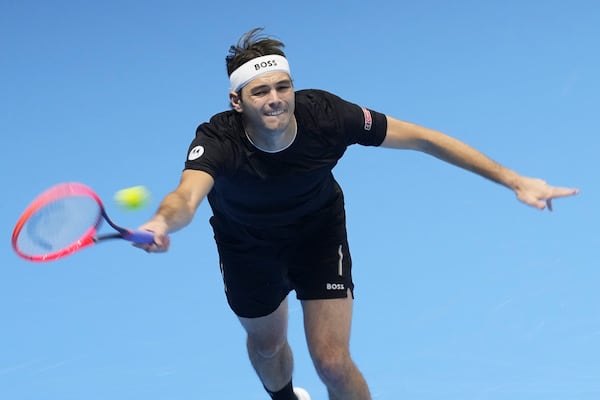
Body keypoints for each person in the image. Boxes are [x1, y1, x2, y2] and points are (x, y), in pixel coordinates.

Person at [137, 28, 579, 400]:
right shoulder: (218, 139)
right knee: (268, 348)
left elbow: (424, 138)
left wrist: (515, 180)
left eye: (282, 86)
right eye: (260, 91)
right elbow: (185, 196)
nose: (275, 100)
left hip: (318, 234)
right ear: (238, 102)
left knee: (331, 361)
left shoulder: (327, 116)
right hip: (246, 247)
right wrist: (161, 221)